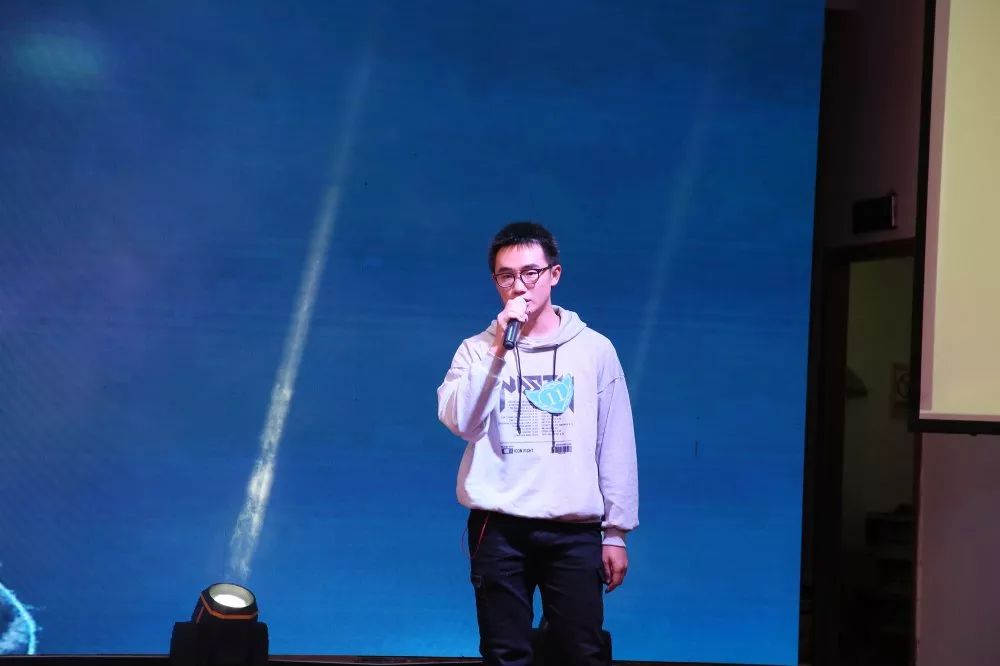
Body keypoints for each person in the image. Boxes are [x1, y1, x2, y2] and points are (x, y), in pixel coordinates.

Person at [437, 221, 639, 666]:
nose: (519, 286)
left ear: (554, 274)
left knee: (581, 651)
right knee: (504, 652)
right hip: (499, 526)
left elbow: (615, 442)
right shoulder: (476, 350)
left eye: (530, 273)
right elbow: (464, 423)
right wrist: (498, 351)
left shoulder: (594, 350)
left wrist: (616, 533)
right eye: (506, 276)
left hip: (573, 528)